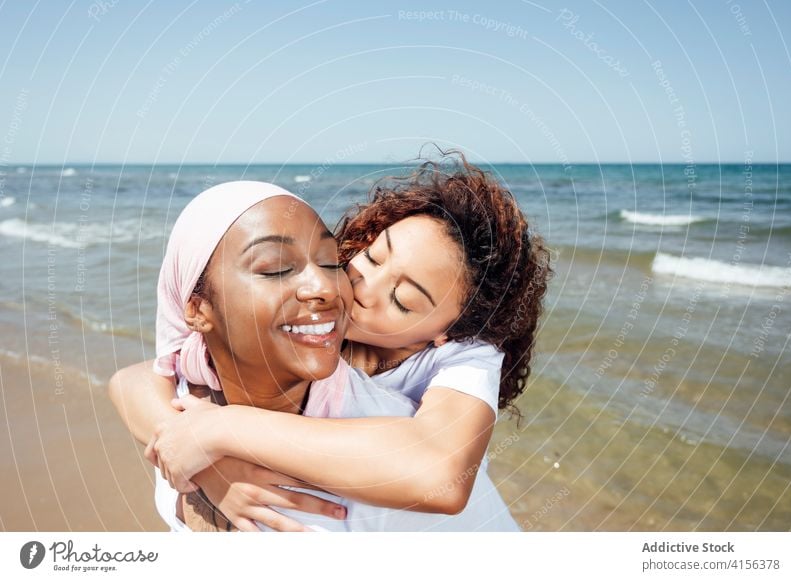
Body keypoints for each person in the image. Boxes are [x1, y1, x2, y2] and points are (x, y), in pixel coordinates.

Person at [110, 152, 551, 531]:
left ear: (444, 333)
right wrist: (205, 462)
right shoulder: (314, 311)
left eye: (401, 299)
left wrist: (221, 430)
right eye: (373, 257)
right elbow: (135, 379)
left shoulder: (465, 356)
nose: (363, 287)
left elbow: (441, 474)